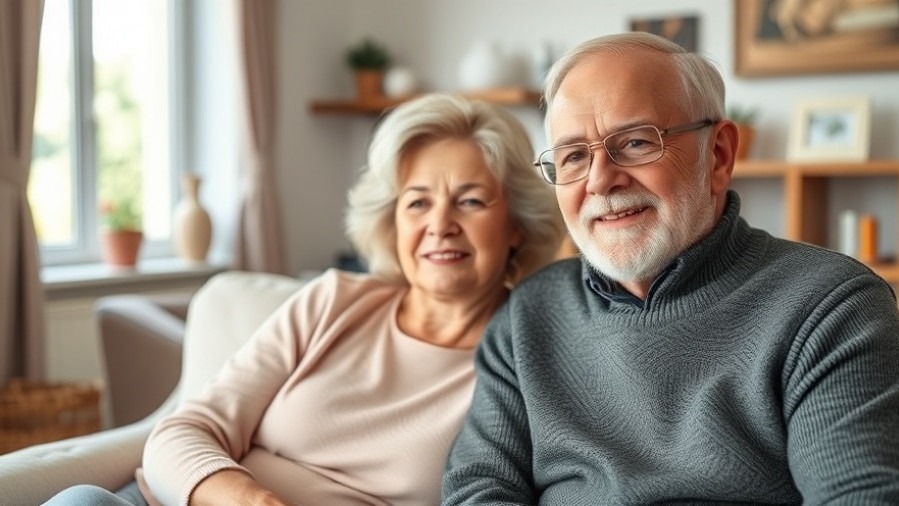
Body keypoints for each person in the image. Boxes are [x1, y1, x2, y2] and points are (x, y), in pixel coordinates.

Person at [442, 32, 899, 504]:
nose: (600, 180)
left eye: (636, 142)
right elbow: (479, 489)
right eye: (574, 156)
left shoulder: (830, 305)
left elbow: (859, 496)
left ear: (718, 155)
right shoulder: (529, 317)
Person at [43, 93, 565, 506]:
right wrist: (250, 499)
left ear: (517, 224)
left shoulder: (523, 361)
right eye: (418, 202)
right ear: (392, 219)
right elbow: (185, 430)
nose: (440, 226)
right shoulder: (336, 300)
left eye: (470, 201)